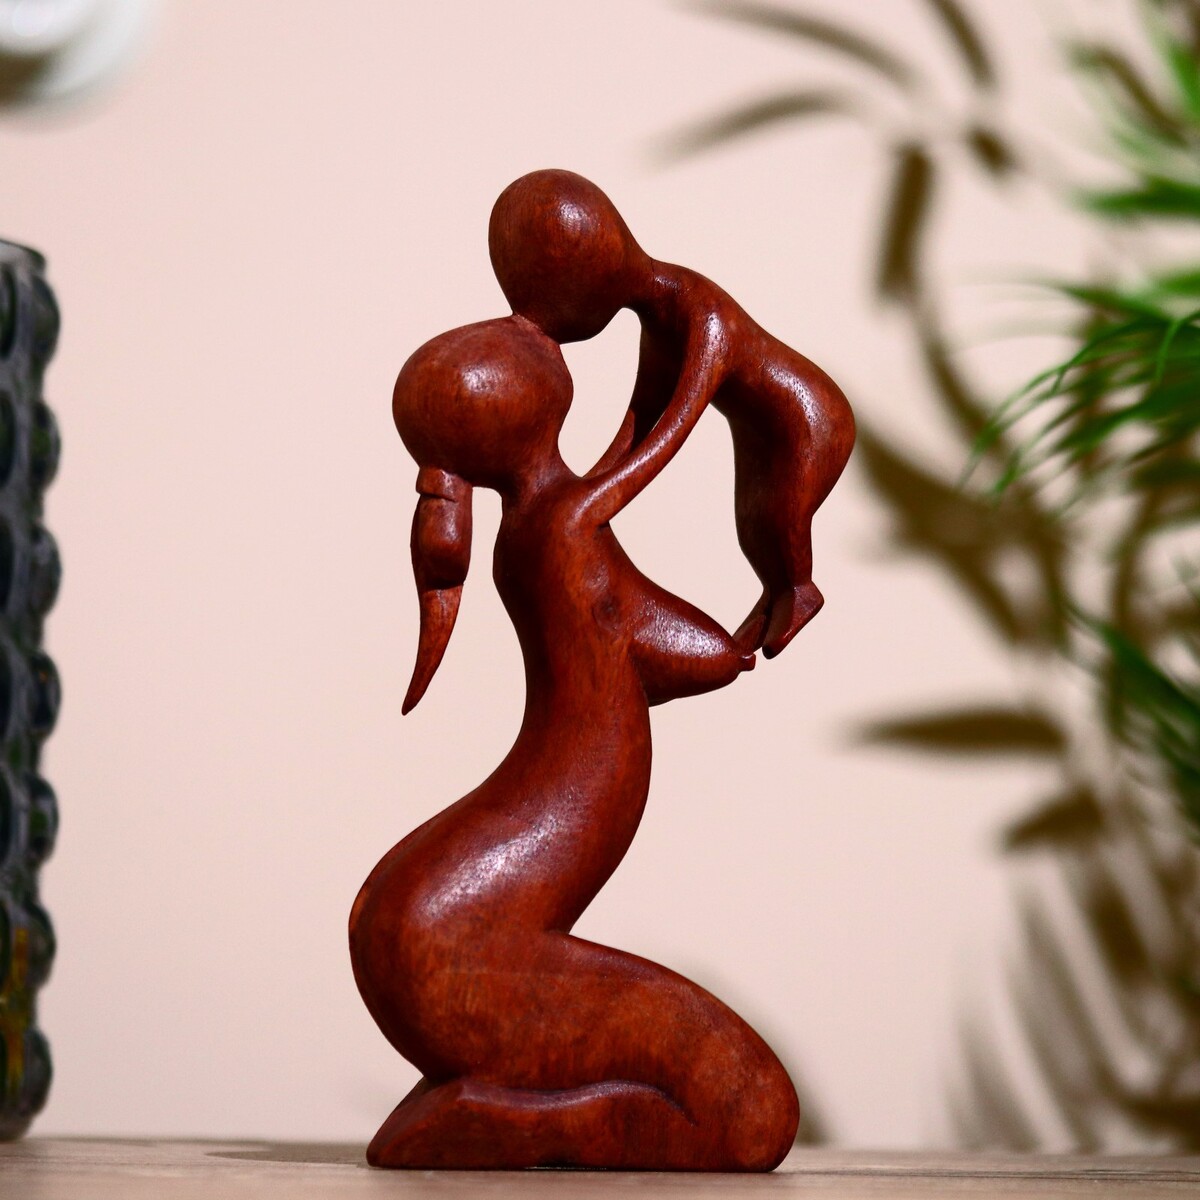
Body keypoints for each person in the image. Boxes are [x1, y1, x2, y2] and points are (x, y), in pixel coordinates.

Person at [488, 169, 855, 657]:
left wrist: (600, 500)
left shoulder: (704, 315)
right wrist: (585, 490)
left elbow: (678, 422)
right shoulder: (660, 319)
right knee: (754, 525)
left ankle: (800, 592)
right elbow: (643, 416)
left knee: (779, 515)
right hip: (759, 429)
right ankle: (777, 595)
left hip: (811, 421)